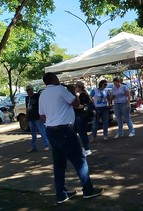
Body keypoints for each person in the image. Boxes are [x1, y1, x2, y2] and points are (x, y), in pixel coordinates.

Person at [38, 72, 103, 204]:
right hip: (64, 130)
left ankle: (61, 194)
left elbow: (42, 116)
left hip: (51, 130)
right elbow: (76, 103)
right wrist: (72, 91)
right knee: (79, 160)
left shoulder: (43, 94)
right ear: (54, 79)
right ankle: (88, 190)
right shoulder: (61, 90)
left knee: (59, 164)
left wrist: (52, 120)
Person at [25, 85, 49, 153]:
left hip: (37, 116)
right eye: (27, 90)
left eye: (29, 90)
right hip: (30, 117)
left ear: (32, 90)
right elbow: (27, 107)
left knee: (42, 131)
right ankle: (34, 146)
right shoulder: (27, 98)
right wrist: (26, 116)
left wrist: (42, 114)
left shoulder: (37, 96)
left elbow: (41, 105)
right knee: (33, 133)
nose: (28, 92)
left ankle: (46, 145)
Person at [73, 81, 92, 156]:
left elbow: (81, 106)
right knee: (82, 132)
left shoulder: (82, 95)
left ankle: (86, 148)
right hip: (83, 115)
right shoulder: (84, 94)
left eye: (76, 87)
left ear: (79, 88)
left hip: (81, 115)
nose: (75, 88)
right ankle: (86, 148)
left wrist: (73, 106)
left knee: (81, 132)